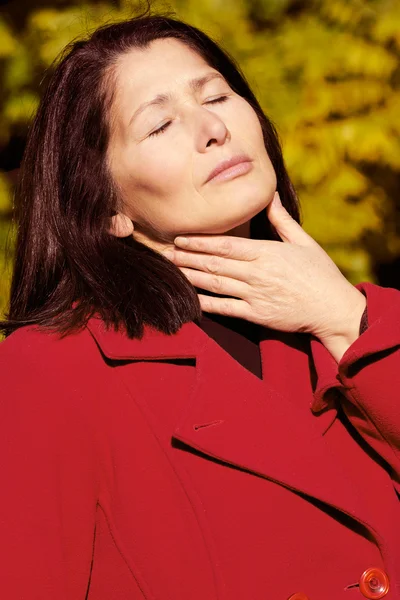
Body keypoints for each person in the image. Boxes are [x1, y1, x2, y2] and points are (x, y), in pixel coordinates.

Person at [0, 7, 399, 600]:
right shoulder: (51, 370)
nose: (212, 128)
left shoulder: (363, 325)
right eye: (159, 125)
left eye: (216, 95)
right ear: (109, 209)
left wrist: (344, 317)